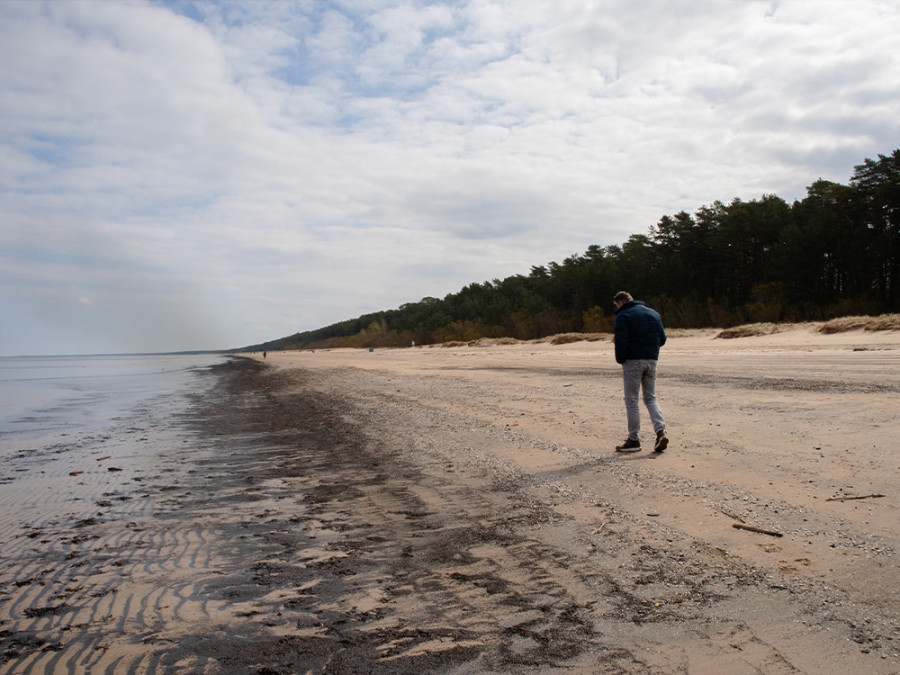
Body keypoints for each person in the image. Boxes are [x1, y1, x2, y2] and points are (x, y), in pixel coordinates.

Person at [612, 291, 669, 453]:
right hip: (652, 360)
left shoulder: (624, 316)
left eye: (616, 304)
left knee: (631, 400)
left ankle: (634, 439)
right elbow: (662, 339)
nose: (616, 307)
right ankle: (660, 432)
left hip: (632, 361)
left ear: (620, 302)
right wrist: (650, 350)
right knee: (650, 398)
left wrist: (621, 359)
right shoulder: (653, 313)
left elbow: (621, 341)